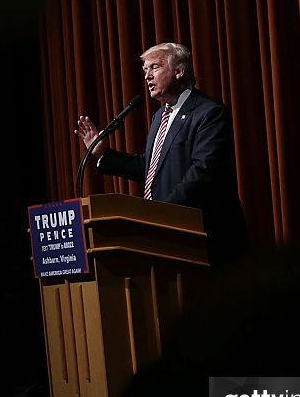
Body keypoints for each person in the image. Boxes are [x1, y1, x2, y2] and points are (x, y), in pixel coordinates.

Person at [75, 42, 249, 267]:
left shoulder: (208, 112)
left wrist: (158, 213)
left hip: (204, 237)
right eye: (145, 70)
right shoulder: (160, 117)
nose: (147, 76)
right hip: (168, 237)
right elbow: (151, 168)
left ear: (179, 71)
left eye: (154, 67)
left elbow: (204, 172)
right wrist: (104, 153)